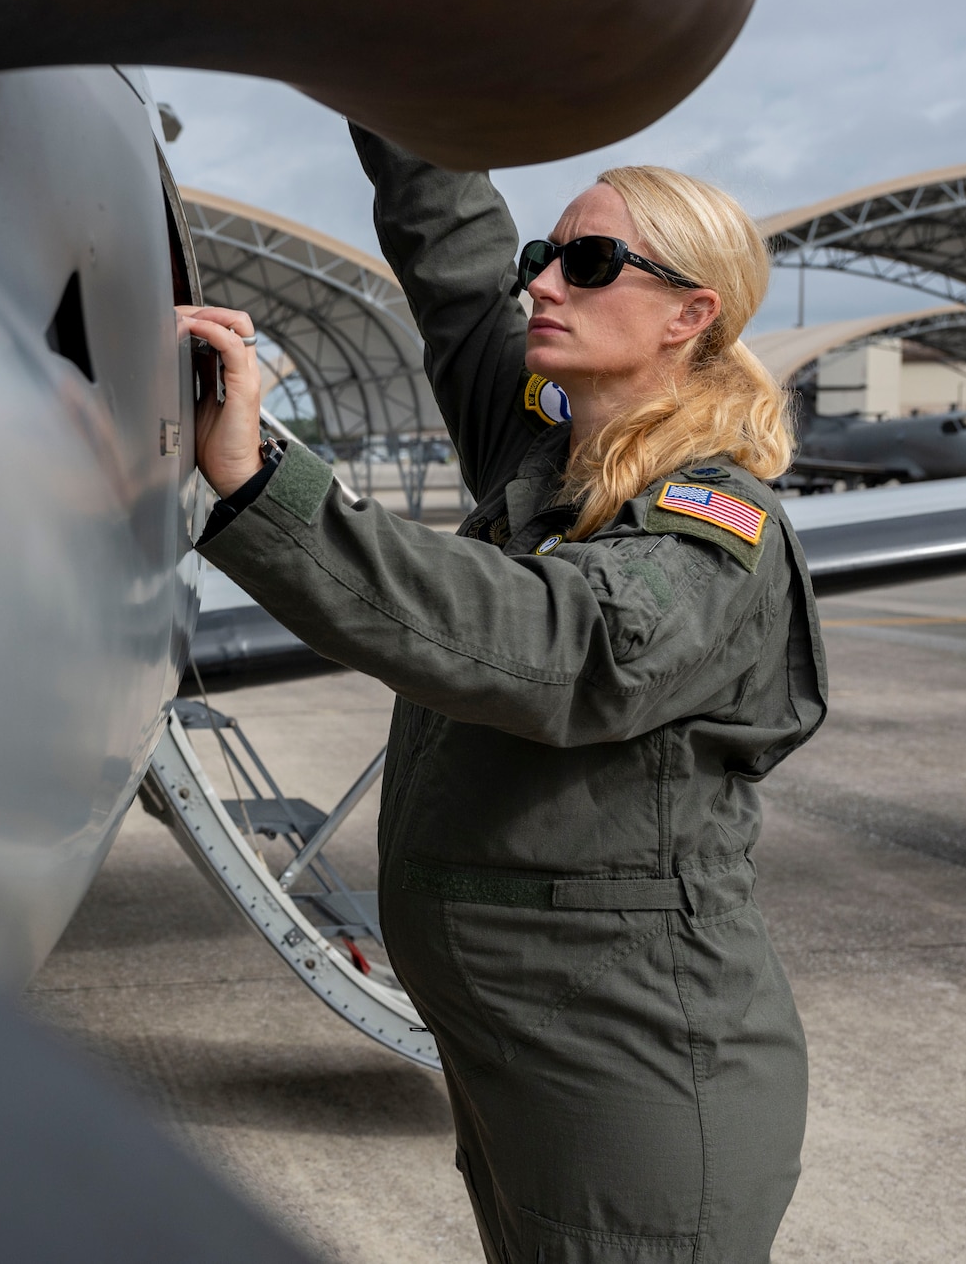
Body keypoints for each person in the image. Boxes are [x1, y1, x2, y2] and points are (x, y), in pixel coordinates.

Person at [177, 126, 827, 1264]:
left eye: (586, 265)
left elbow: (552, 642)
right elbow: (450, 253)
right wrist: (389, 65)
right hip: (519, 1053)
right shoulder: (549, 455)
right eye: (546, 251)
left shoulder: (713, 528)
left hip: (629, 1074)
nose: (540, 280)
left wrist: (266, 482)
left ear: (689, 313)